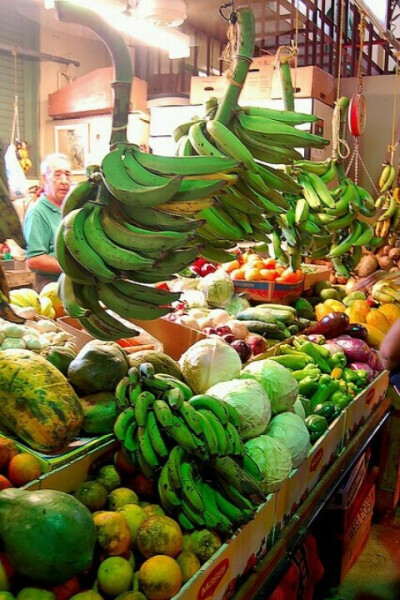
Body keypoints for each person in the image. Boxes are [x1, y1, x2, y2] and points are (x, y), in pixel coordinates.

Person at [23, 153, 71, 291]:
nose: (64, 181)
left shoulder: (72, 210)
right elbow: (34, 260)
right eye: (57, 175)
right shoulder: (37, 212)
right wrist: (74, 269)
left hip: (76, 283)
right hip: (50, 286)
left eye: (67, 175)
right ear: (45, 179)